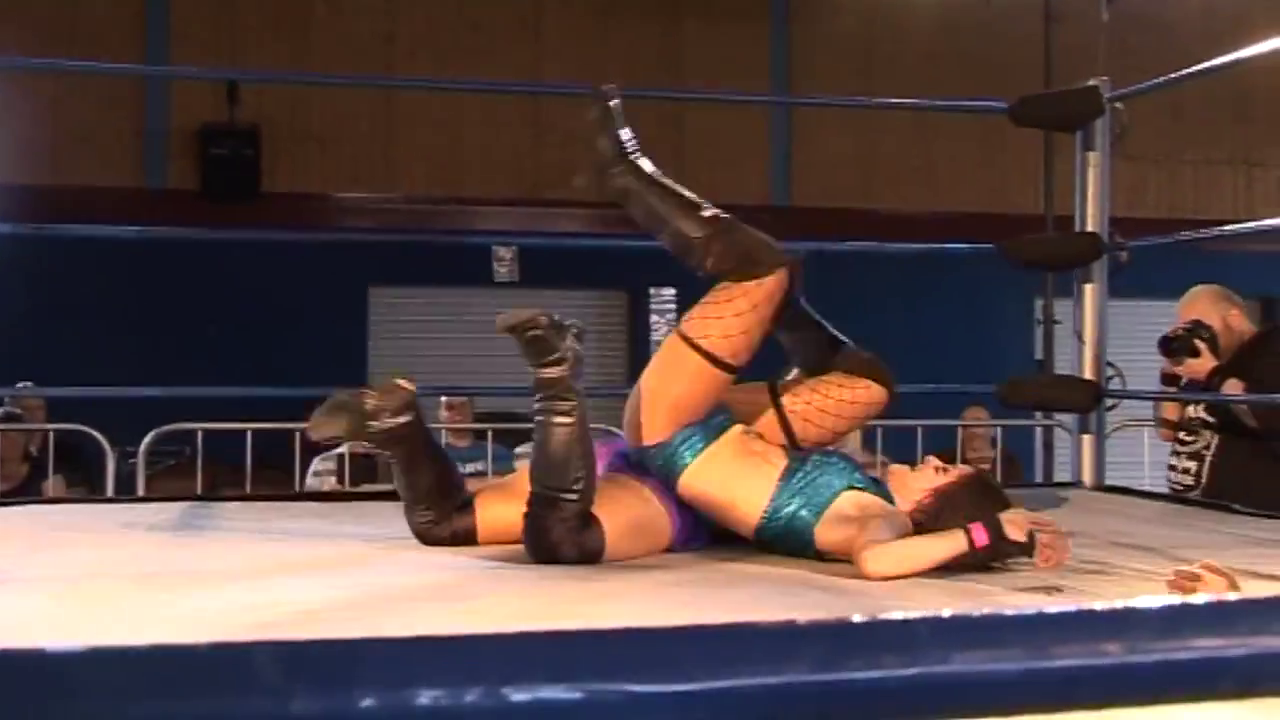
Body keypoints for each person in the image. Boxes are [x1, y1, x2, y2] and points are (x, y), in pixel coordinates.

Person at [306, 86, 1069, 577]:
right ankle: (401, 424)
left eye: (942, 473)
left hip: (676, 439)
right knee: (871, 384)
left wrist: (995, 533)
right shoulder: (867, 487)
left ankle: (628, 184)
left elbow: (880, 564)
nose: (932, 458)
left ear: (937, 510)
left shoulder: (881, 518)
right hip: (686, 461)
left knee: (761, 274)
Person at [1155, 284, 1280, 512]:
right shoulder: (1207, 365)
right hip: (1193, 513)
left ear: (1234, 319)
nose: (1195, 338)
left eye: (1198, 327)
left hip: (1246, 517)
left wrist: (1213, 375)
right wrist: (1170, 378)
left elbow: (1263, 412)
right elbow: (1166, 432)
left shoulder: (1269, 349)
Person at [931, 405, 1026, 486]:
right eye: (964, 422)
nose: (969, 425)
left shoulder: (1007, 461)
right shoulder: (945, 460)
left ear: (992, 430)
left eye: (977, 421)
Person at [437, 395, 517, 479]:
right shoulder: (432, 455)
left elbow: (510, 481)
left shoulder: (498, 452)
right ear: (440, 414)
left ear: (471, 411)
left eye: (462, 406)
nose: (457, 413)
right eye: (450, 408)